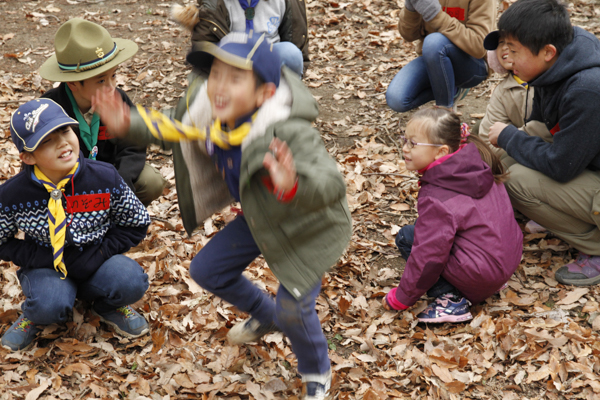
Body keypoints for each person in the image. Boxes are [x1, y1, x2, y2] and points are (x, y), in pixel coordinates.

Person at [93, 31, 352, 400]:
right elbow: (169, 126)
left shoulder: (286, 130)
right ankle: (265, 315)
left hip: (306, 226)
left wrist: (293, 183)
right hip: (261, 216)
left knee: (294, 309)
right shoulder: (208, 115)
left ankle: (317, 372)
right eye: (216, 74)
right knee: (206, 270)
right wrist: (126, 122)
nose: (219, 86)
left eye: (235, 78)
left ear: (264, 94)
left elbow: (331, 185)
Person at [0, 98, 152, 351]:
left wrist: (101, 252)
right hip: (46, 266)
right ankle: (35, 316)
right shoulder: (13, 195)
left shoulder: (104, 177)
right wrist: (43, 257)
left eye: (65, 130)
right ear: (28, 157)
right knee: (48, 304)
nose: (62, 142)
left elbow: (135, 223)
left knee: (131, 281)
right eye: (46, 140)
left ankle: (105, 305)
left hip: (97, 260)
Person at [486, 0, 600, 287]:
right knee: (506, 160)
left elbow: (561, 166)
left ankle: (596, 247)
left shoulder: (587, 88)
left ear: (548, 52)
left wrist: (510, 136)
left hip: (581, 165)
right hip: (587, 158)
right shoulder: (563, 54)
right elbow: (541, 124)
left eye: (513, 51)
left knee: (514, 180)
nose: (506, 60)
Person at [382, 107, 522, 323]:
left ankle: (451, 299)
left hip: (482, 274)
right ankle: (486, 282)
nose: (405, 149)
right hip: (504, 261)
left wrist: (401, 298)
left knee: (407, 237)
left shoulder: (437, 196)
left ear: (441, 152)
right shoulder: (477, 163)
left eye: (413, 143)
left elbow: (428, 256)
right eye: (404, 140)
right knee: (426, 227)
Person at [38, 18, 166, 206]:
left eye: (113, 75)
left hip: (111, 177)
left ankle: (119, 222)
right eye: (101, 81)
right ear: (73, 83)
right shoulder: (49, 108)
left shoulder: (118, 99)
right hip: (65, 185)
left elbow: (133, 146)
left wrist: (120, 187)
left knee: (151, 181)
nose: (111, 86)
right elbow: (40, 162)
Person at [386, 0, 495, 113]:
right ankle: (453, 90)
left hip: (472, 64)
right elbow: (409, 35)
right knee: (397, 100)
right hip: (433, 59)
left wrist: (435, 15)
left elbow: (479, 47)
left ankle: (445, 112)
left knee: (434, 42)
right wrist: (411, 8)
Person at [170, 0, 308, 76]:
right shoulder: (214, 4)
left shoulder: (288, 2)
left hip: (270, 62)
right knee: (196, 88)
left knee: (291, 53)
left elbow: (296, 40)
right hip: (229, 64)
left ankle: (280, 104)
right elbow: (204, 49)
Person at [478, 34, 533, 159]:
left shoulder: (547, 80)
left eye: (511, 42)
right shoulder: (502, 92)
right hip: (522, 151)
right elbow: (487, 140)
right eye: (501, 42)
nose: (504, 47)